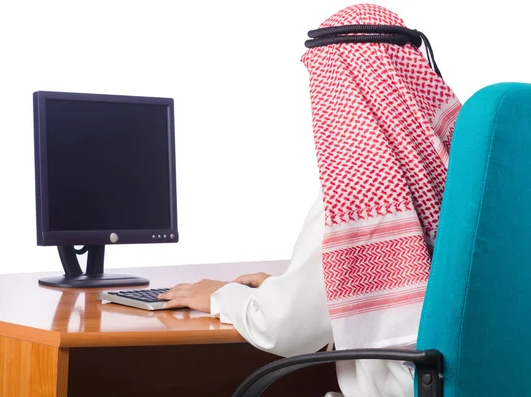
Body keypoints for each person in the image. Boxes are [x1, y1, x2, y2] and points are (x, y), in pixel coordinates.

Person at [159, 4, 461, 396]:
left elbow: (285, 328)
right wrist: (297, 288)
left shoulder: (360, 188)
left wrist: (222, 296)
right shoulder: (454, 168)